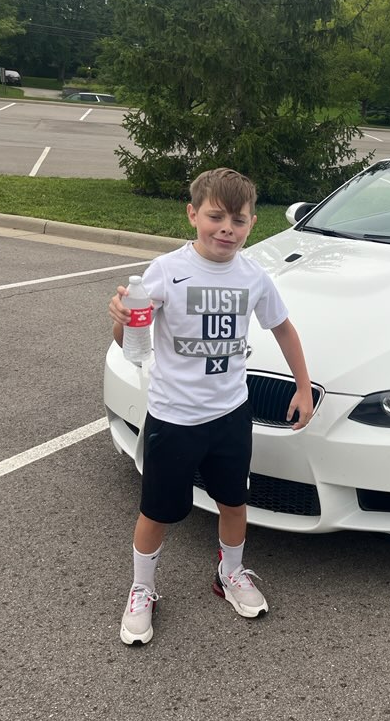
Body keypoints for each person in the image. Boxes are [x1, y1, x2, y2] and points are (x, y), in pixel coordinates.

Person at [108, 168, 314, 646]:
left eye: (237, 220)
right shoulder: (164, 271)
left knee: (234, 501)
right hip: (174, 416)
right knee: (157, 510)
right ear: (193, 215)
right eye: (215, 217)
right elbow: (130, 337)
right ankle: (142, 590)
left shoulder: (252, 276)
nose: (226, 228)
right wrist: (120, 319)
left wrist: (302, 387)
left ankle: (231, 574)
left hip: (230, 415)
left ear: (252, 223)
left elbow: (283, 328)